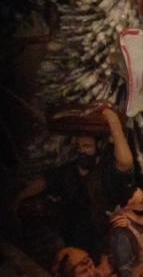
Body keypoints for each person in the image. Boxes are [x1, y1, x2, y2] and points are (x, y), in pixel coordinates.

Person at [13, 106, 134, 262]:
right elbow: (45, 181)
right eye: (79, 147)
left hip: (102, 243)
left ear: (98, 148)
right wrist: (19, 197)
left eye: (87, 146)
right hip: (73, 241)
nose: (81, 151)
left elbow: (125, 162)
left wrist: (113, 120)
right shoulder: (69, 171)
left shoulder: (105, 171)